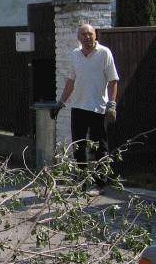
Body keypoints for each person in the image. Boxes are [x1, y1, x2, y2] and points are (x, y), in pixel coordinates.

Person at [51, 23, 119, 183]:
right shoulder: (75, 54)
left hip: (98, 108)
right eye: (84, 34)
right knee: (79, 146)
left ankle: (101, 180)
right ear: (78, 38)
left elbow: (113, 80)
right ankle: (81, 181)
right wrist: (61, 102)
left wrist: (112, 104)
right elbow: (70, 81)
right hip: (78, 107)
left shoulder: (104, 53)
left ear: (95, 35)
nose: (87, 37)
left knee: (100, 147)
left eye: (90, 34)